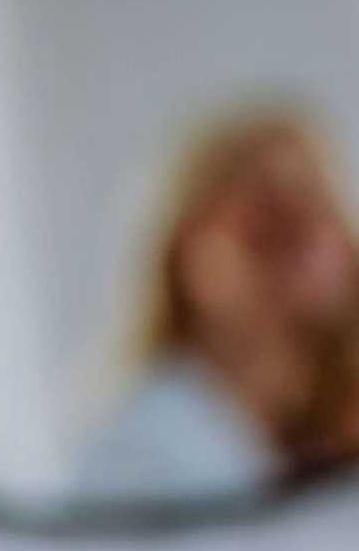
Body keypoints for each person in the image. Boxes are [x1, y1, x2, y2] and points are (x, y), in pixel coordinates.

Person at [77, 109, 359, 502]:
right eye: (264, 219)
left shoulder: (333, 437)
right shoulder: (138, 456)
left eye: (314, 201)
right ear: (181, 253)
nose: (297, 225)